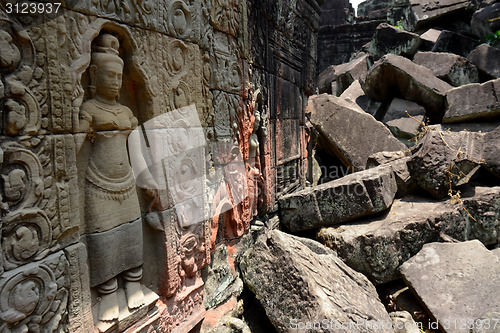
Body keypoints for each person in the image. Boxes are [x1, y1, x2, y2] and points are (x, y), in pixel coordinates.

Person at [78, 33, 144, 324]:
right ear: (94, 74)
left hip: (127, 182)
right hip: (98, 183)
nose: (116, 81)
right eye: (110, 75)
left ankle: (133, 282)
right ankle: (107, 293)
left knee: (131, 232)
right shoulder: (90, 109)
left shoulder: (127, 111)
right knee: (103, 237)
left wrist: (148, 179)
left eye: (119, 76)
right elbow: (75, 146)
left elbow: (137, 151)